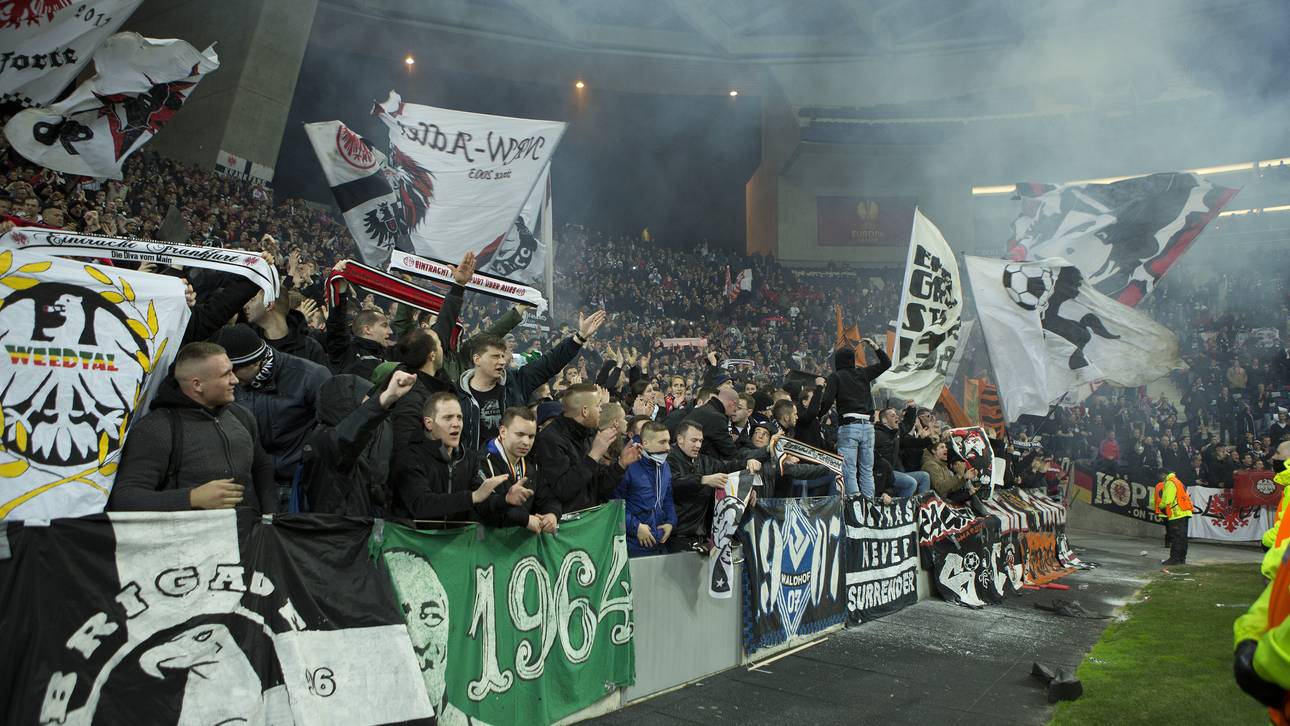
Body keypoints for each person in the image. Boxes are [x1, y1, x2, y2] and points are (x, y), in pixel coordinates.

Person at [110, 342, 276, 514]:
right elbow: (125, 498)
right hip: (185, 538)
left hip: (248, 535)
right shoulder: (157, 428)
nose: (235, 380)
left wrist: (271, 518)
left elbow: (261, 467)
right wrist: (191, 498)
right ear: (197, 385)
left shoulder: (242, 416)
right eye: (226, 374)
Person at [211, 324, 330, 508]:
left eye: (233, 371)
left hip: (298, 487)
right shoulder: (229, 385)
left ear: (255, 362)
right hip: (248, 486)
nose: (231, 379)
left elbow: (333, 431)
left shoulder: (310, 376)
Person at [458, 310, 606, 450]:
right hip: (472, 471)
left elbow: (550, 362)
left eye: (503, 356)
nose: (502, 362)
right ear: (477, 359)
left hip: (513, 468)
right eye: (495, 356)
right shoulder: (457, 394)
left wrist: (579, 337)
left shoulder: (516, 382)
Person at [389, 391, 527, 522]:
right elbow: (421, 504)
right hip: (412, 543)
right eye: (448, 418)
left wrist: (505, 500)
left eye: (459, 417)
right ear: (428, 423)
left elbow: (481, 502)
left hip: (456, 544)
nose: (456, 424)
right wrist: (472, 497)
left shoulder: (470, 458)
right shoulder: (409, 458)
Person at [299, 371, 415, 516]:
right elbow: (348, 436)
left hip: (359, 530)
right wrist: (383, 401)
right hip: (339, 533)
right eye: (365, 399)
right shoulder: (326, 441)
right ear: (346, 405)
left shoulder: (363, 440)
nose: (368, 402)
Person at [535, 383, 642, 515]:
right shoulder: (549, 440)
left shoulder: (588, 434)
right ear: (585, 411)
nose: (601, 410)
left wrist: (621, 464)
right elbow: (562, 490)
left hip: (589, 521)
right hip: (565, 527)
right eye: (597, 405)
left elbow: (600, 488)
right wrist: (594, 456)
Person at [813, 339, 890, 497]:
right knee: (867, 470)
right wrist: (875, 346)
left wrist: (819, 415)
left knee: (849, 469)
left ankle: (855, 503)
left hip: (849, 427)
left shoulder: (836, 377)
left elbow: (827, 400)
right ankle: (868, 504)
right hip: (868, 427)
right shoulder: (863, 373)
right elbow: (886, 363)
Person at [667, 420, 756, 553]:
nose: (698, 445)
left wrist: (747, 470)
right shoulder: (668, 459)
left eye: (700, 441)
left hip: (699, 535)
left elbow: (727, 467)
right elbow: (674, 483)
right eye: (694, 440)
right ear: (680, 439)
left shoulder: (703, 461)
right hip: (676, 535)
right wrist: (703, 479)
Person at [478, 407, 560, 533]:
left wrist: (551, 514)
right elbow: (485, 508)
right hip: (485, 545)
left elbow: (548, 496)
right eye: (520, 434)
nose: (526, 442)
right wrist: (525, 519)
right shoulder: (481, 462)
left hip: (520, 547)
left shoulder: (531, 463)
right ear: (503, 431)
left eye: (531, 436)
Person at [615, 422, 676, 557]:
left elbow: (668, 498)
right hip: (632, 544)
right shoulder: (628, 466)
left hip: (659, 541)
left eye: (668, 442)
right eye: (662, 442)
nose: (668, 447)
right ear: (646, 443)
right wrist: (636, 527)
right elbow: (614, 504)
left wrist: (670, 522)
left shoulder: (664, 465)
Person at [243, 289, 328, 366]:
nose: (245, 306)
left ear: (269, 304)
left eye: (252, 299)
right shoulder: (252, 347)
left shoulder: (310, 347)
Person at [874, 407, 932, 498]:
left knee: (924, 476)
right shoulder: (876, 434)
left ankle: (922, 508)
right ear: (884, 420)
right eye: (893, 416)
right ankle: (901, 508)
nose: (897, 417)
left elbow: (907, 425)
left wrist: (912, 408)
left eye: (896, 415)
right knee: (911, 483)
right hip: (882, 474)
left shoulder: (896, 433)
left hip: (895, 472)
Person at [1155, 471, 1193, 566]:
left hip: (1176, 513)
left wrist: (1161, 506)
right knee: (1182, 537)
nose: (1159, 478)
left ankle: (1174, 559)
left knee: (1176, 537)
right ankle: (1181, 559)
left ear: (1163, 474)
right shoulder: (1177, 481)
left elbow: (1167, 499)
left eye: (1159, 475)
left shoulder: (1170, 482)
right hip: (1184, 511)